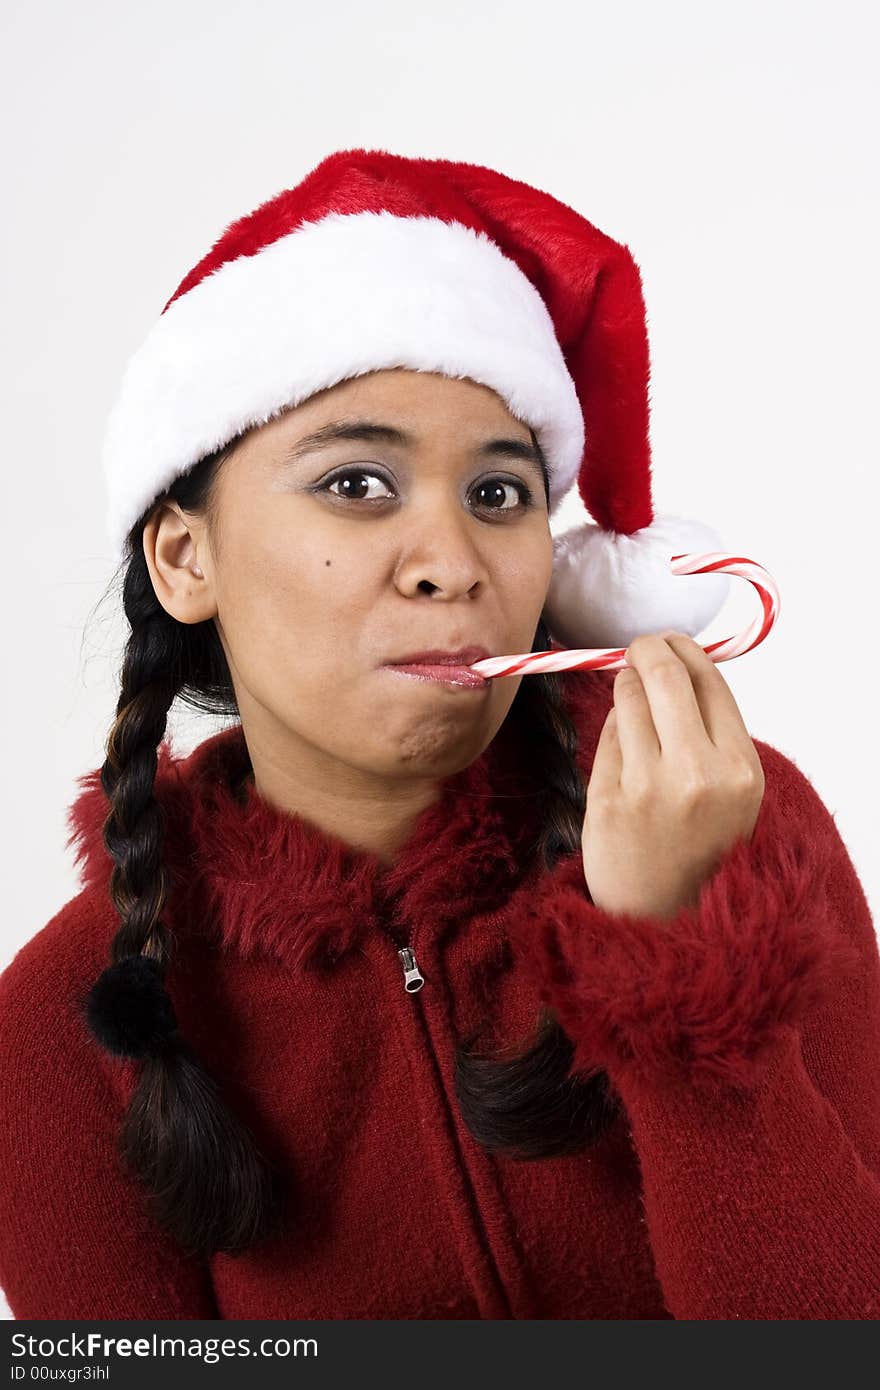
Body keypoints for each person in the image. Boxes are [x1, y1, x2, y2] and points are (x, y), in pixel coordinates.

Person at [1, 148, 878, 1321]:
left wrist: (677, 960)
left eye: (498, 494)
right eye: (357, 484)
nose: (453, 565)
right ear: (184, 557)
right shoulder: (57, 1023)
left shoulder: (733, 826)